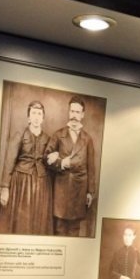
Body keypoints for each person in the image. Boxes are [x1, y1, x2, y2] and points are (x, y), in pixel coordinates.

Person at [0, 101, 53, 235]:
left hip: (41, 184)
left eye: (39, 114)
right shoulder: (19, 135)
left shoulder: (48, 139)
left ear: (43, 118)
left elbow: (50, 162)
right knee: (22, 221)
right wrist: (5, 188)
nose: (36, 117)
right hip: (21, 183)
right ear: (28, 117)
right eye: (33, 113)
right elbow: (9, 162)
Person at [44, 96, 96, 236]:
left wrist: (90, 192)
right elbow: (46, 158)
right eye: (72, 111)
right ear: (68, 112)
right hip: (61, 189)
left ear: (82, 115)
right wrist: (61, 163)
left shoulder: (87, 139)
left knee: (74, 230)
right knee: (60, 228)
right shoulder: (58, 135)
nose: (74, 115)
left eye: (77, 112)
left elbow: (91, 167)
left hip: (79, 189)